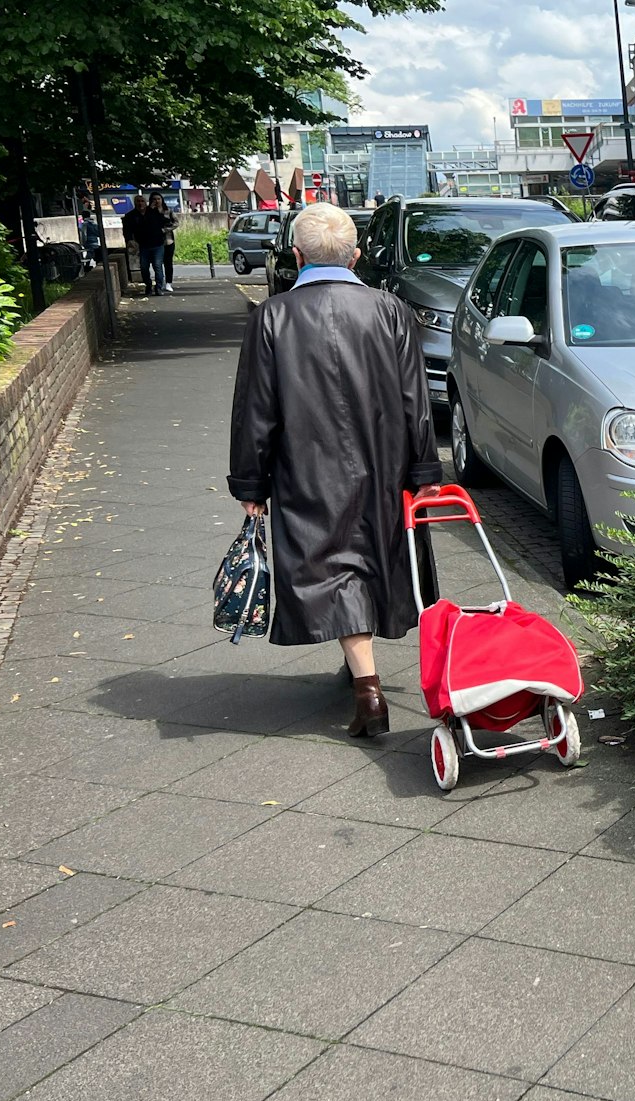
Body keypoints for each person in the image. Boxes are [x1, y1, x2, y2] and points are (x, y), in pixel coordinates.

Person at [228, 203, 443, 737]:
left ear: (295, 255)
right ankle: (362, 668)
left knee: (330, 562)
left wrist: (251, 482)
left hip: (306, 467)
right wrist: (423, 470)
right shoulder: (391, 310)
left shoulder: (272, 316)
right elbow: (416, 399)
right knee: (370, 560)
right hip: (383, 462)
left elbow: (256, 407)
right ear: (358, 255)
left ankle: (367, 690)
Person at [132, 193, 171, 294]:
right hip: (143, 245)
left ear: (146, 203)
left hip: (157, 243)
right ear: (135, 203)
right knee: (144, 267)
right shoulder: (131, 216)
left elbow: (165, 221)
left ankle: (159, 287)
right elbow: (128, 230)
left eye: (142, 201)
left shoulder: (153, 212)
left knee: (157, 265)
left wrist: (162, 230)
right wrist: (130, 241)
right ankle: (148, 285)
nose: (140, 203)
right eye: (138, 201)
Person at [154, 194, 178, 295]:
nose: (156, 201)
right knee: (157, 263)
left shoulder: (168, 211)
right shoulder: (150, 212)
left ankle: (168, 282)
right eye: (154, 199)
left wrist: (166, 229)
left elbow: (176, 223)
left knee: (168, 262)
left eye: (158, 199)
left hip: (168, 240)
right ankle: (159, 283)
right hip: (155, 241)